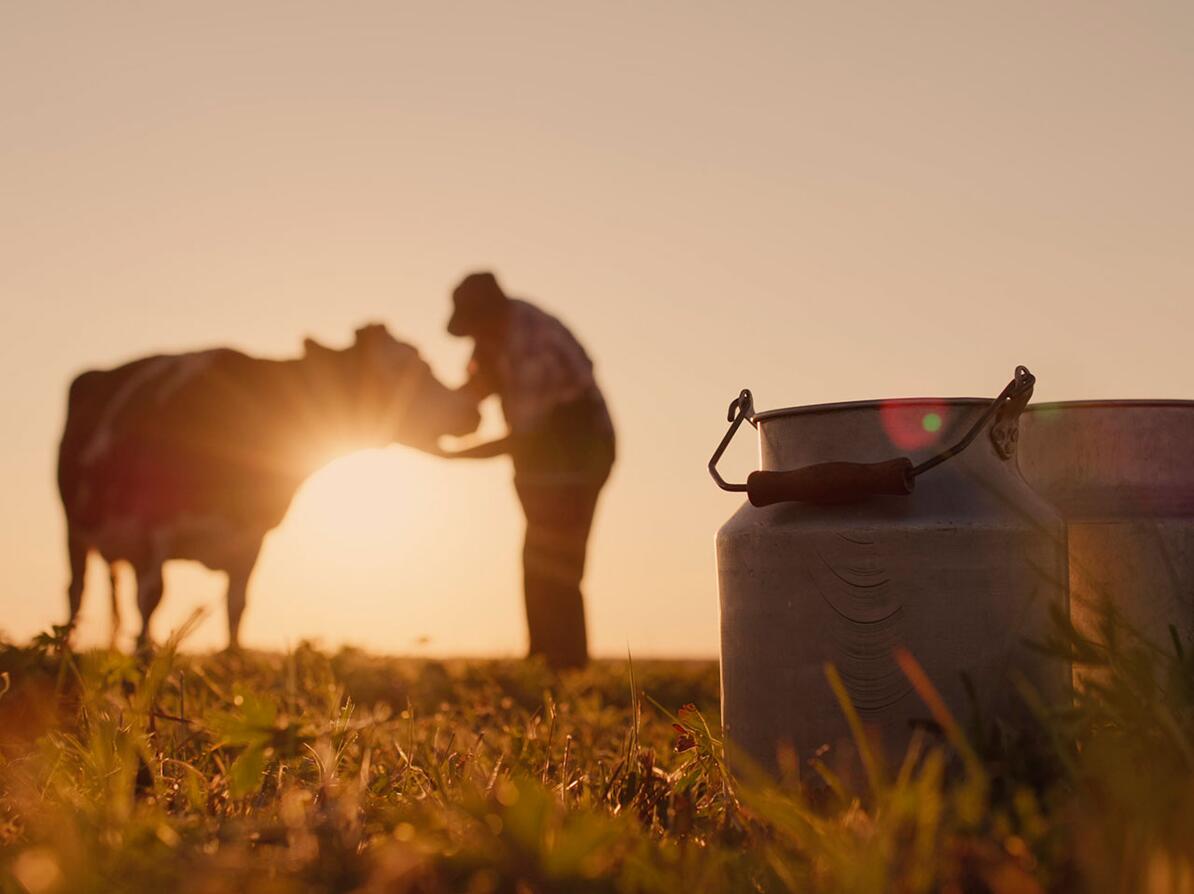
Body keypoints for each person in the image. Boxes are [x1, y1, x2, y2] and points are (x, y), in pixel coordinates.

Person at [439, 271, 615, 670]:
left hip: (578, 457)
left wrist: (452, 455)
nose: (472, 338)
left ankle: (564, 667)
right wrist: (434, 418)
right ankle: (542, 662)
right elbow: (471, 394)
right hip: (540, 462)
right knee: (537, 558)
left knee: (558, 561)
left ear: (490, 314)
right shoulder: (491, 342)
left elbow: (523, 438)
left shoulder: (536, 344)